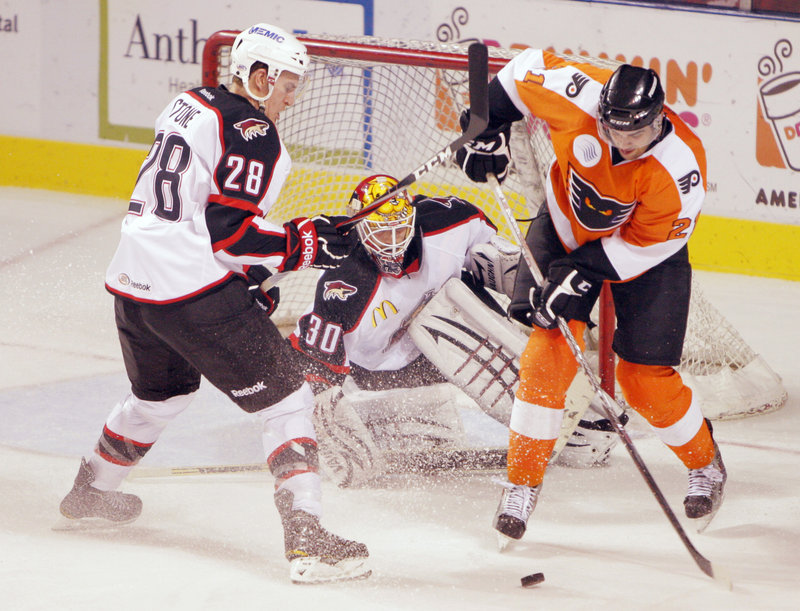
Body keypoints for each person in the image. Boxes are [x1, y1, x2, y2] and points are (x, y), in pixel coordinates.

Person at [58, 23, 369, 583]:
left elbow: (197, 215)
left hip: (134, 282)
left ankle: (92, 492)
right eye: (287, 85)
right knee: (289, 401)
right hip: (189, 290)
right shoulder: (255, 133)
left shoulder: (188, 104)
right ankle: (307, 541)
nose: (292, 99)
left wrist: (257, 271)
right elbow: (231, 235)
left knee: (160, 394)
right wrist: (305, 244)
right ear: (257, 76)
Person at [456, 50, 726, 540]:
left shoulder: (680, 169)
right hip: (564, 227)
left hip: (646, 254)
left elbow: (650, 245)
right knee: (546, 358)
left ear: (659, 119)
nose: (623, 144)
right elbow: (520, 72)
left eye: (635, 135)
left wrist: (579, 274)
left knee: (644, 382)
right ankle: (522, 484)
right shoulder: (576, 91)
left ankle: (705, 462)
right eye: (614, 131)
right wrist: (487, 124)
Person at [284, 174, 521, 485]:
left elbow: (493, 253)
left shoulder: (450, 221)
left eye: (399, 229)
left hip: (430, 351)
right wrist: (325, 431)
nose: (393, 243)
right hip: (370, 371)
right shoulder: (342, 286)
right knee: (325, 408)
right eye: (382, 233)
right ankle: (384, 415)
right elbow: (313, 371)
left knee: (458, 299)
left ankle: (536, 404)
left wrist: (524, 287)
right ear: (361, 229)